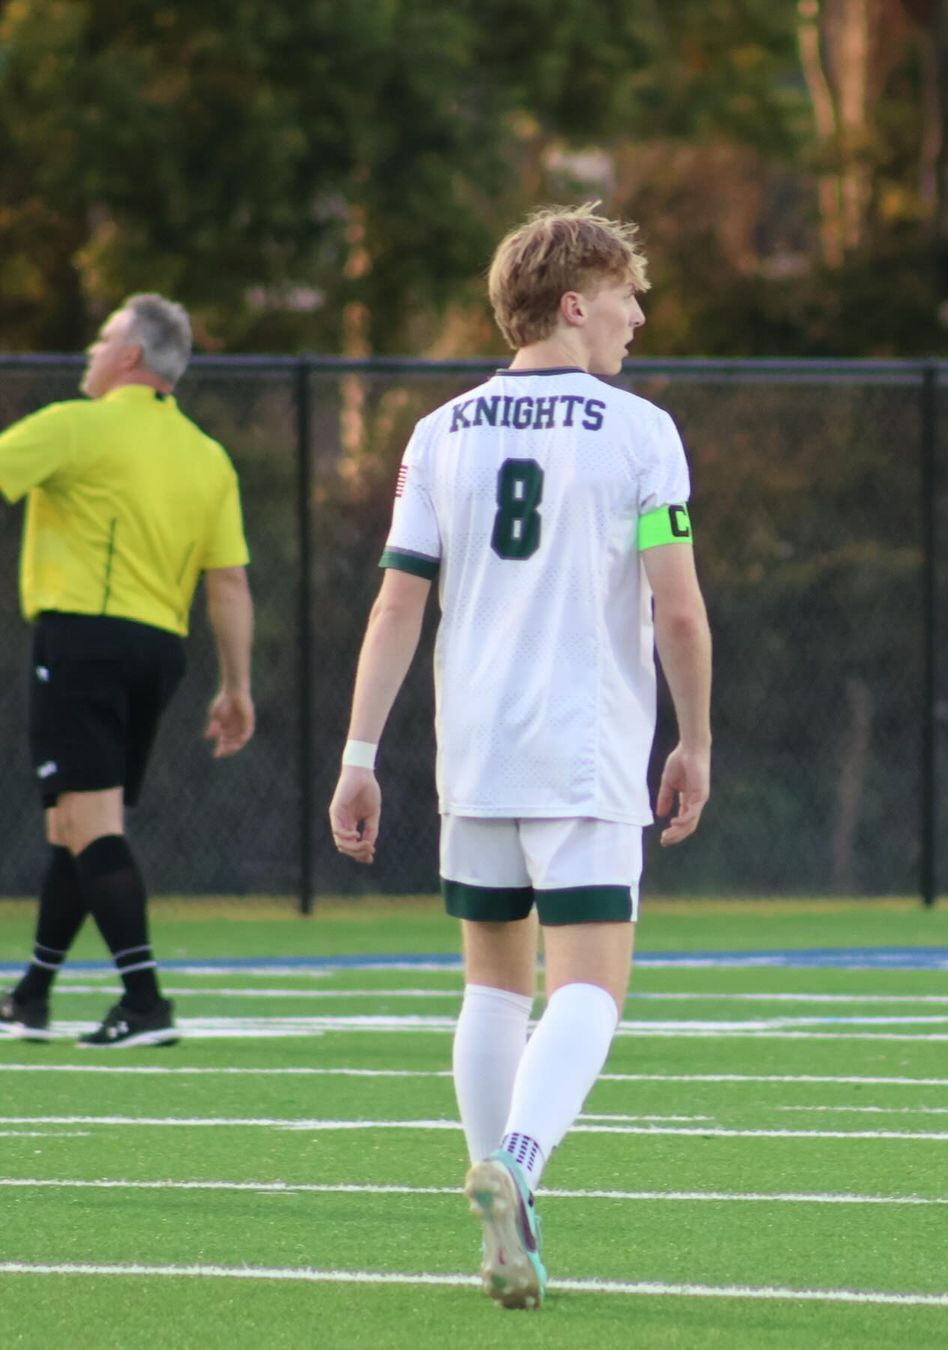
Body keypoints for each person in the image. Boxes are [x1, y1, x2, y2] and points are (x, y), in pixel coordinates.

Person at [328, 204, 712, 1309]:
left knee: (492, 988)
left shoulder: (439, 432)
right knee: (590, 984)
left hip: (475, 752)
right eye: (627, 297)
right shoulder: (641, 433)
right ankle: (519, 1167)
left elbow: (399, 605)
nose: (638, 318)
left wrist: (360, 752)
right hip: (584, 751)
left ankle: (504, 1213)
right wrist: (693, 737)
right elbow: (678, 610)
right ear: (574, 303)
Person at [0, 293, 255, 1048]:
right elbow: (229, 581)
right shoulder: (207, 455)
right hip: (159, 654)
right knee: (73, 824)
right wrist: (236, 686)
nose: (91, 351)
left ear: (130, 356)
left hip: (82, 640)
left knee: (91, 824)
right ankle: (31, 997)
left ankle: (145, 1002)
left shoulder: (77, 426)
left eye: (103, 339)